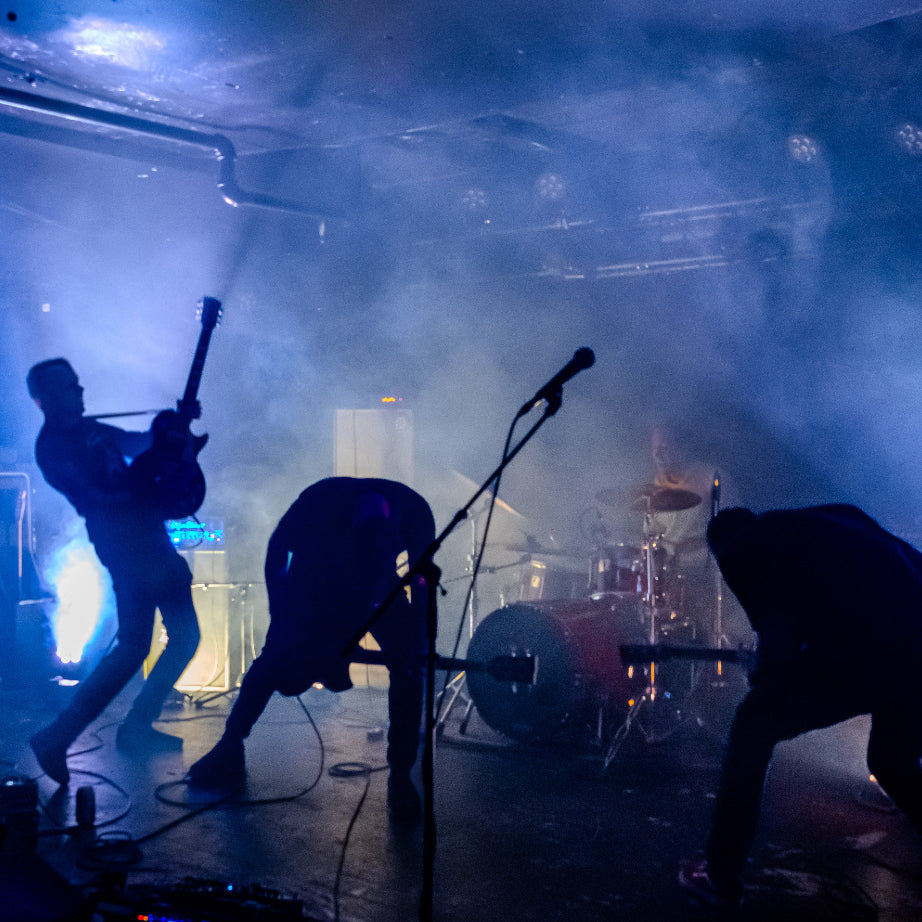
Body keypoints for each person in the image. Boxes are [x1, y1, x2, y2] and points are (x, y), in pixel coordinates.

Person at [679, 504, 922, 910]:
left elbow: (783, 645)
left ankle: (719, 875)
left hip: (876, 653)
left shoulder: (742, 553)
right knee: (892, 761)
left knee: (752, 726)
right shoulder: (820, 519)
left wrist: (762, 671)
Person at [187, 476, 437, 822]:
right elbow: (277, 549)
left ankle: (400, 773)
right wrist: (280, 612)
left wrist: (415, 642)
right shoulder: (317, 503)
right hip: (316, 581)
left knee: (408, 668)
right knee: (275, 658)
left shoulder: (415, 515)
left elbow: (422, 583)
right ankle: (229, 745)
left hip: (382, 589)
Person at [25, 358, 201, 785]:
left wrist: (170, 430)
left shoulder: (92, 430)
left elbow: (138, 446)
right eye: (69, 387)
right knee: (144, 644)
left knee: (154, 642)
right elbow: (103, 495)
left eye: (77, 384)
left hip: (144, 537)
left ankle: (96, 731)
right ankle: (69, 735)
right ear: (44, 399)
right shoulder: (52, 449)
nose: (80, 391)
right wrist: (159, 458)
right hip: (126, 544)